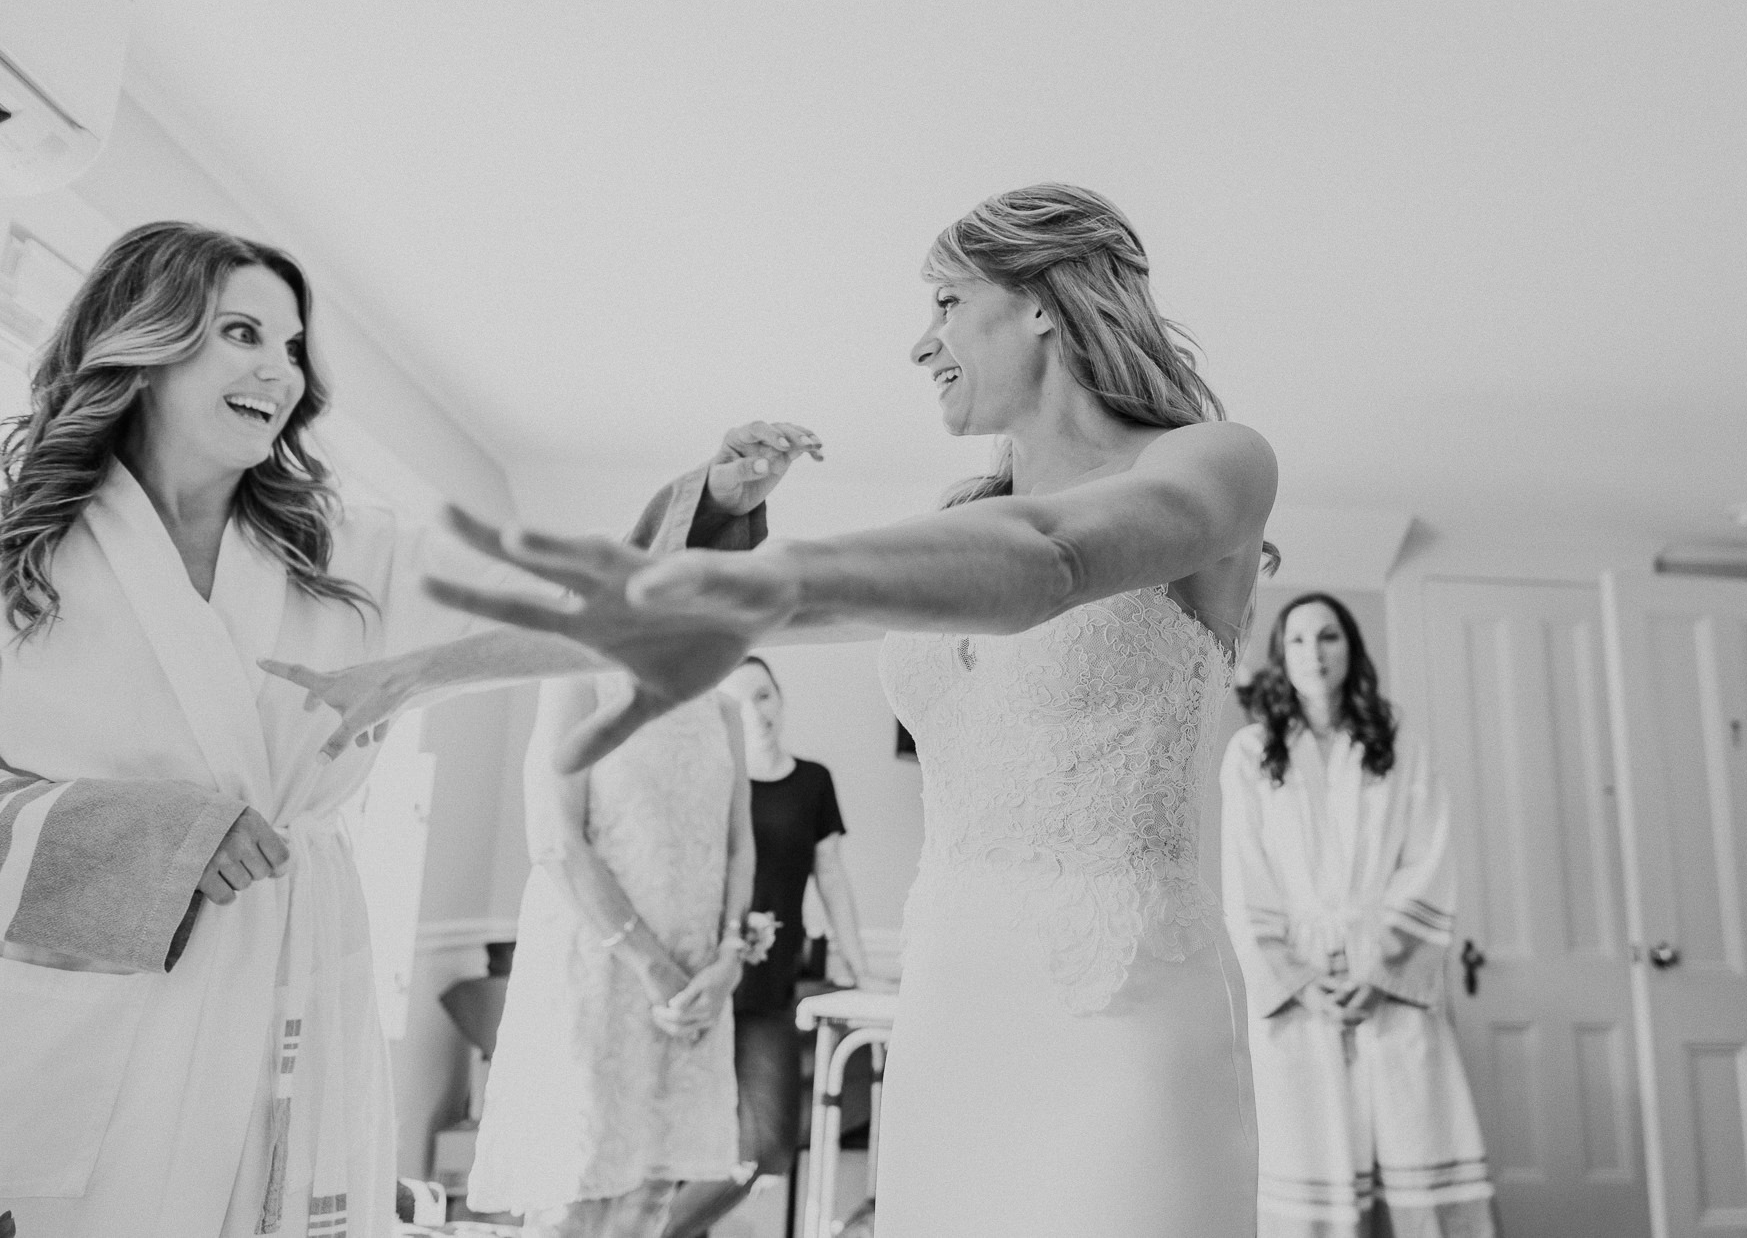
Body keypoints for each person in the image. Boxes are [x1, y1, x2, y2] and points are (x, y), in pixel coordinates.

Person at [353, 183, 1279, 1238]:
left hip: (1122, 1011)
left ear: (1038, 302)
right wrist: (416, 673)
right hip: (954, 999)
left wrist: (782, 571)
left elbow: (1055, 563)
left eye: (944, 301)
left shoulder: (1217, 464)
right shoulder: (953, 522)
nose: (920, 343)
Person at [0, 218, 804, 1238]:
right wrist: (147, 835)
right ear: (144, 338)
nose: (281, 372)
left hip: (290, 958)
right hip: (94, 993)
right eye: (242, 334)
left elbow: (560, 598)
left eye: (291, 347)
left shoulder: (337, 548)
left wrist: (710, 514)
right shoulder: (21, 551)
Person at [1220, 593, 1496, 1238]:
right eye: (1297, 640)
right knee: (1309, 1159)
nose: (1314, 653)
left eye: (1329, 637)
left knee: (1418, 1141)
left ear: (1352, 648)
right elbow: (1244, 877)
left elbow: (1430, 858)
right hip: (1299, 987)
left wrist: (1380, 970)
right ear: (1279, 656)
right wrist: (1296, 979)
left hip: (1388, 976)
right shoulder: (1252, 754)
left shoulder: (1398, 744)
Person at [465, 671, 753, 1237]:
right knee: (576, 1197)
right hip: (598, 970)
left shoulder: (721, 707)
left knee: (650, 1202)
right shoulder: (580, 681)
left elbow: (740, 841)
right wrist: (654, 969)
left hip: (696, 986)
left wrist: (729, 957)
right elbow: (555, 838)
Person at [663, 655, 889, 1238]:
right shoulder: (710, 776)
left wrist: (861, 972)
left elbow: (831, 878)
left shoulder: (813, 781)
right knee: (684, 1141)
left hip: (769, 993)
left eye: (764, 696)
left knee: (766, 1146)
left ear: (781, 699)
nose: (755, 712)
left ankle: (653, 1233)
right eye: (739, 701)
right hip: (703, 984)